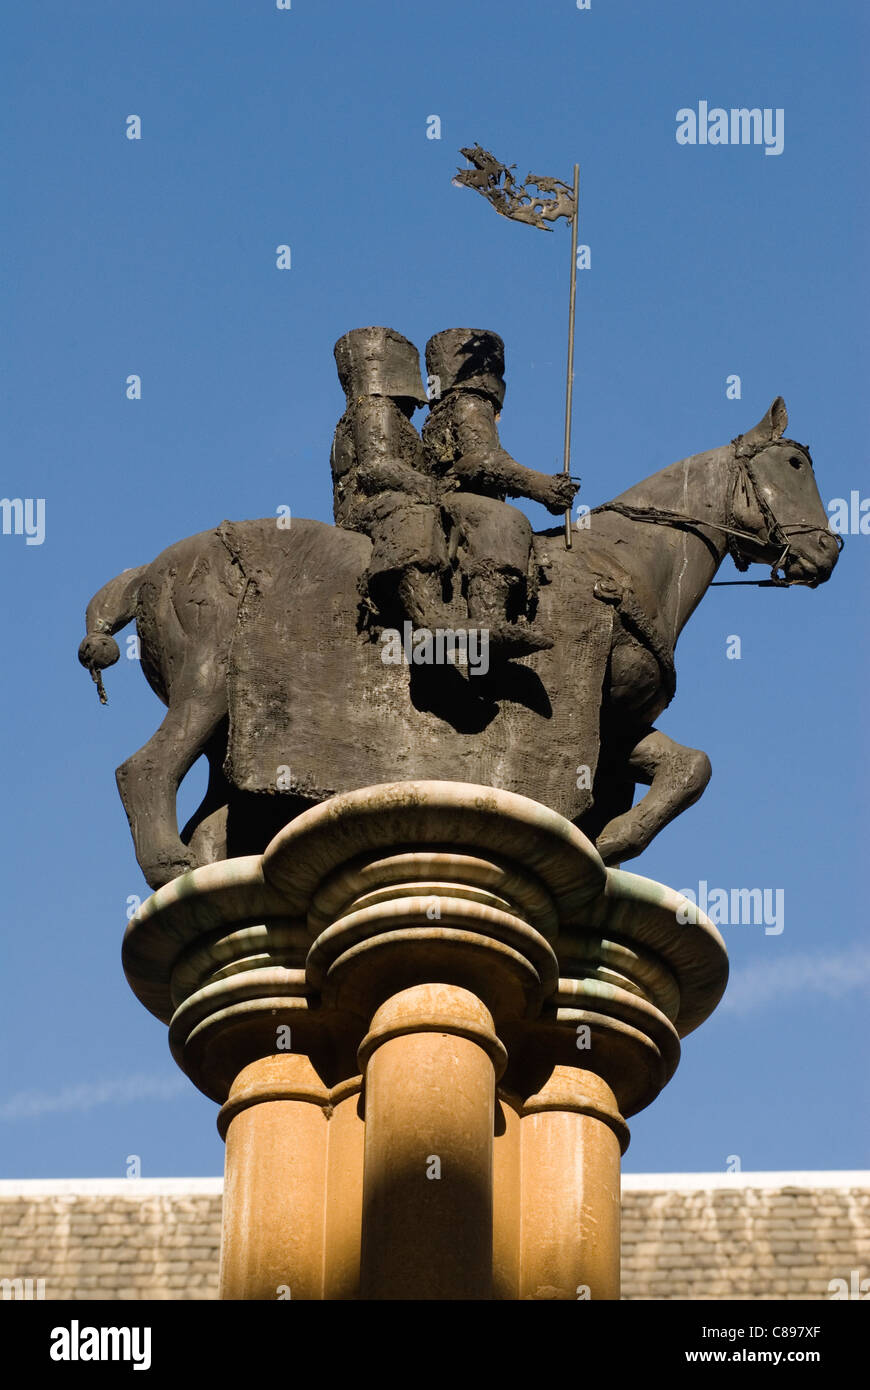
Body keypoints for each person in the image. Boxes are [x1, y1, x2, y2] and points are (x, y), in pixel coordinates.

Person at [422, 328, 579, 658]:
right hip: (458, 502)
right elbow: (482, 461)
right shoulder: (470, 404)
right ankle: (487, 622)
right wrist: (543, 487)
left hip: (448, 501)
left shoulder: (440, 411)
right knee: (504, 521)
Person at [331, 326, 453, 631]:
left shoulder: (390, 416)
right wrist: (428, 488)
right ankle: (424, 611)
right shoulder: (376, 407)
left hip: (382, 501)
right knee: (415, 511)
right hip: (365, 509)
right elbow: (376, 467)